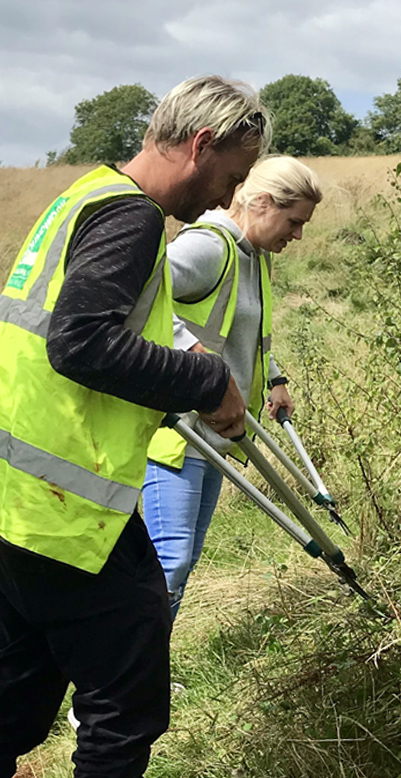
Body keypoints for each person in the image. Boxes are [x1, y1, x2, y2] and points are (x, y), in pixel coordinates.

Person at [0, 75, 270, 778]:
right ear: (200, 145)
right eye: (229, 178)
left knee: (11, 697)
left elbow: (83, 339)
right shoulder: (132, 217)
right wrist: (206, 384)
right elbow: (80, 344)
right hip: (58, 509)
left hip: (5, 492)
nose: (221, 200)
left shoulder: (85, 195)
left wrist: (177, 373)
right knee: (125, 704)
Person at [143, 155, 323, 618]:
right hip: (175, 433)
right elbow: (140, 296)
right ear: (262, 202)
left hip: (214, 433)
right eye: (294, 221)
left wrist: (275, 376)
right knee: (170, 560)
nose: (298, 235)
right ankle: (129, 678)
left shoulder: (255, 255)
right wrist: (195, 360)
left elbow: (245, 331)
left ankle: (147, 671)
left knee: (184, 562)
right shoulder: (209, 247)